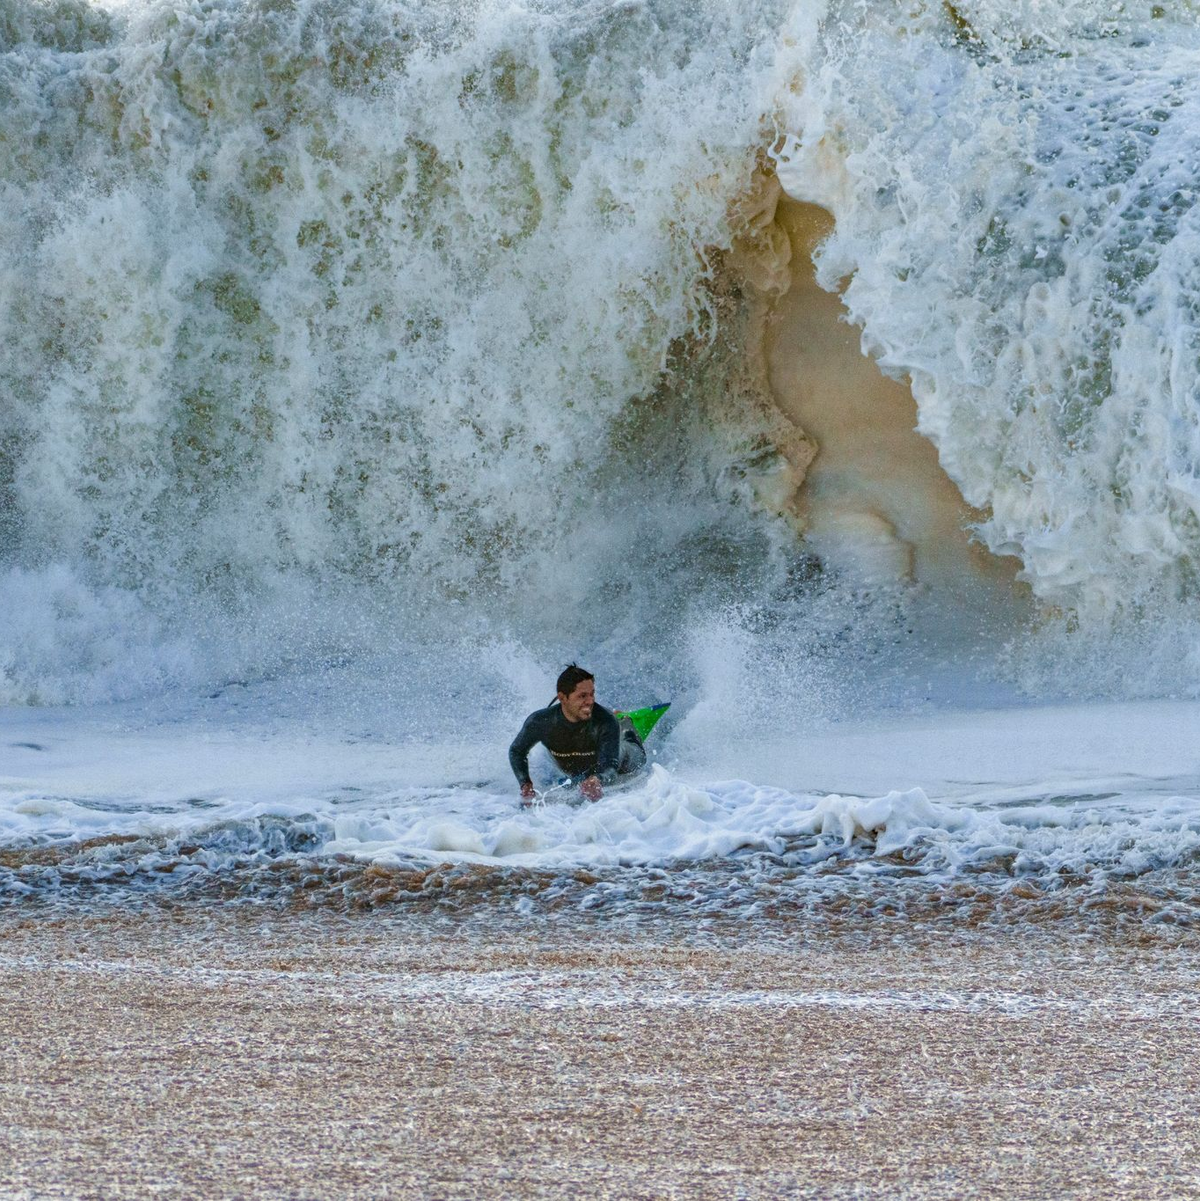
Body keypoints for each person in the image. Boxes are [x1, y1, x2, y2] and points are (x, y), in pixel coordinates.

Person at [509, 664, 646, 802]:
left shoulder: (605, 720)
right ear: (563, 698)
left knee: (633, 754)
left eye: (592, 694)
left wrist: (598, 779)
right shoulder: (539, 721)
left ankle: (625, 722)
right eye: (582, 696)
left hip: (622, 758)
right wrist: (525, 783)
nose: (591, 701)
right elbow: (516, 751)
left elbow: (610, 766)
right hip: (583, 768)